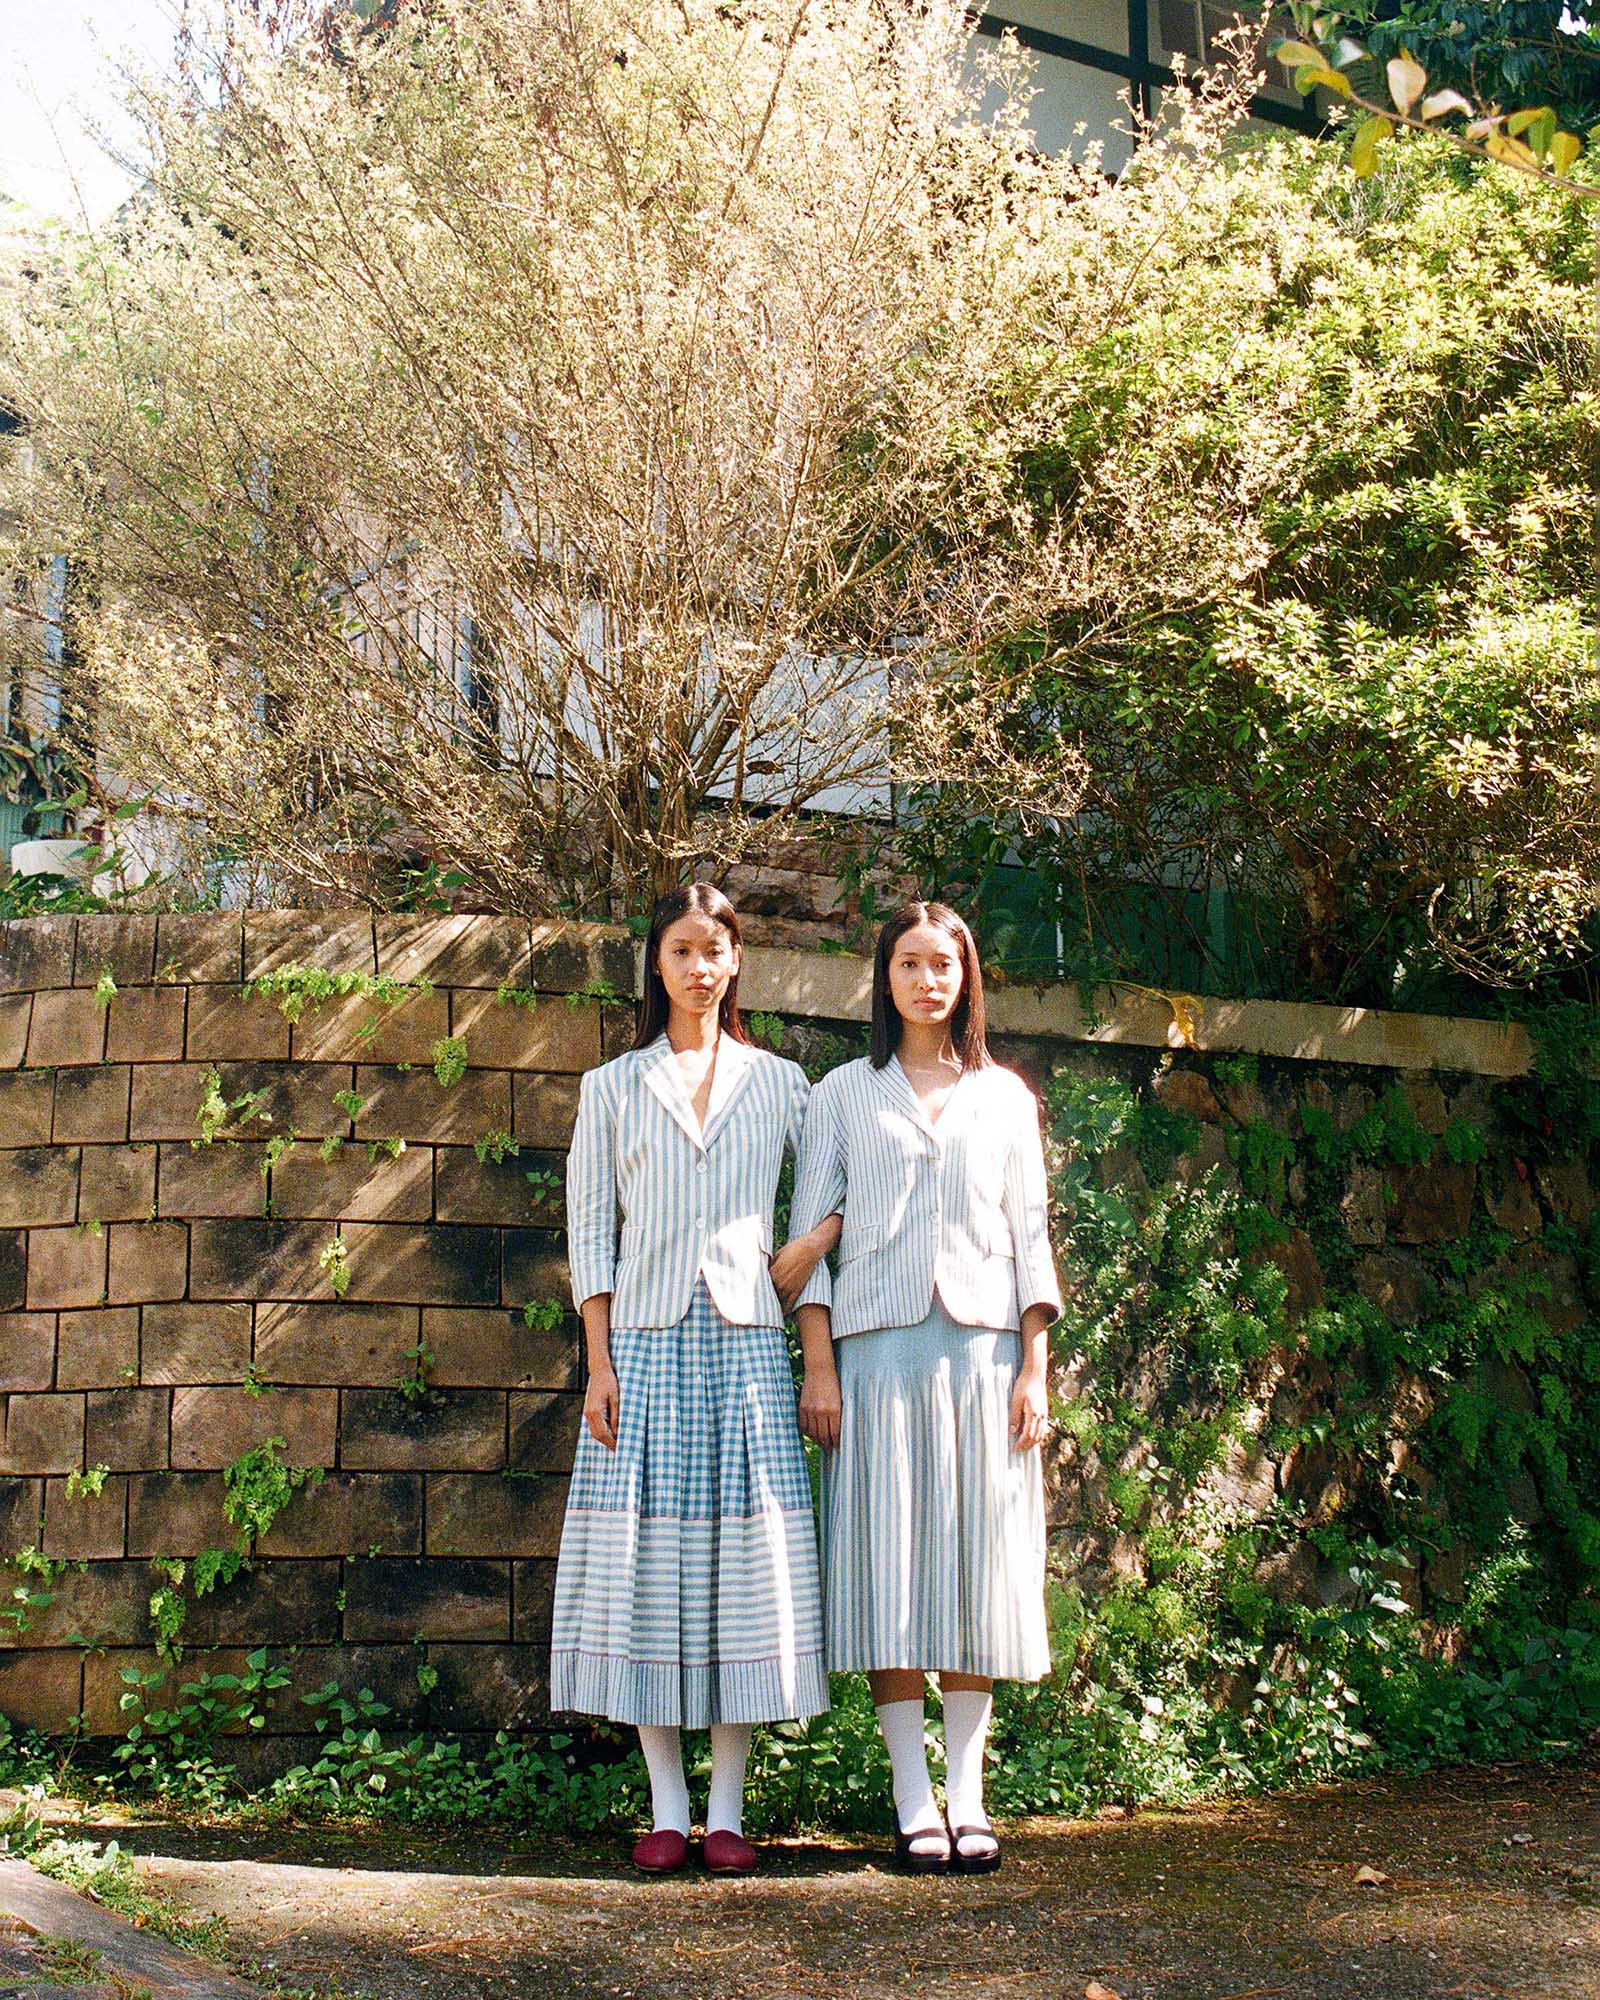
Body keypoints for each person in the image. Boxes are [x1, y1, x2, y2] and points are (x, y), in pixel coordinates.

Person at [549, 882, 840, 1876]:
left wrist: (815, 1242)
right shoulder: (612, 1085)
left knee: (741, 1571)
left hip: (748, 1339)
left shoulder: (785, 1083)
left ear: (736, 960)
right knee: (647, 1570)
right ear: (657, 962)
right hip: (644, 1343)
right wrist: (597, 1364)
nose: (699, 967)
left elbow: (843, 1183)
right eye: (681, 949)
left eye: (714, 949)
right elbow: (591, 1231)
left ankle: (726, 1811)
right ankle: (666, 1805)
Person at [788, 899, 1060, 1875]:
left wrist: (1034, 1366)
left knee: (973, 1568)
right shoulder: (840, 1094)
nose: (927, 979)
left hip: (984, 1356)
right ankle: (912, 1795)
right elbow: (809, 1241)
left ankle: (970, 1794)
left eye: (943, 963)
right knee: (888, 1568)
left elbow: (1031, 1237)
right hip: (874, 1357)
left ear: (966, 975)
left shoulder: (1006, 1098)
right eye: (909, 962)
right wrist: (820, 1364)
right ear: (886, 977)